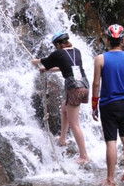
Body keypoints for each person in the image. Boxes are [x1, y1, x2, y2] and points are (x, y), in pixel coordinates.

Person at [33, 31, 91, 165]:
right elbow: (65, 67)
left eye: (55, 45)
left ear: (58, 44)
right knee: (65, 107)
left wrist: (35, 61)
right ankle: (62, 139)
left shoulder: (58, 53)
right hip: (83, 86)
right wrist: (47, 70)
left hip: (74, 88)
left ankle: (84, 155)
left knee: (74, 123)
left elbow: (45, 61)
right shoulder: (76, 51)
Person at [92, 24, 124, 186]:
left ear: (107, 40)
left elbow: (96, 84)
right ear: (122, 40)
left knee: (111, 141)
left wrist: (94, 105)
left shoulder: (100, 59)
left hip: (108, 104)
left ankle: (110, 179)